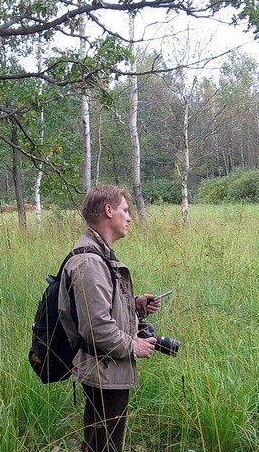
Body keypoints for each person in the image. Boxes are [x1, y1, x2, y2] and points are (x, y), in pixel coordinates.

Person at [58, 185, 162, 452]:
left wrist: (136, 307)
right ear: (108, 211)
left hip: (104, 367)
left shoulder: (98, 254)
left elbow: (100, 310)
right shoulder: (90, 261)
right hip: (104, 369)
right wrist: (134, 347)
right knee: (106, 445)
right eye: (125, 210)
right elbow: (96, 327)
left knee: (96, 442)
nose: (129, 217)